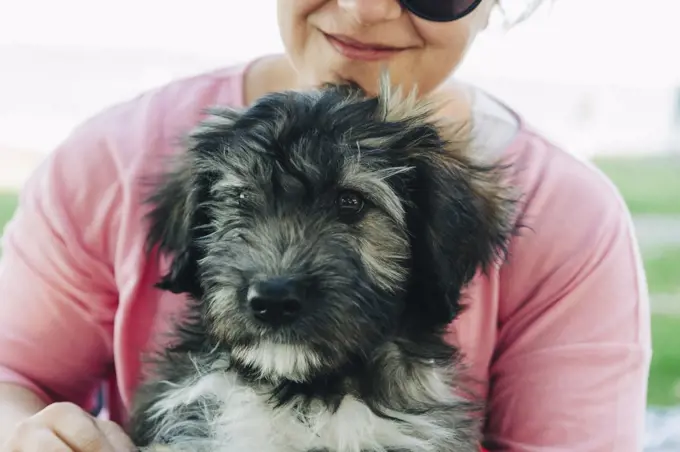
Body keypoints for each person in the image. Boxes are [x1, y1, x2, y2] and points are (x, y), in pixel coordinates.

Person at [0, 0, 651, 450]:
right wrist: (29, 431)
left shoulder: (570, 219)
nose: (367, 7)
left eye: (350, 207)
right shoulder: (114, 158)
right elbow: (11, 376)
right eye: (243, 205)